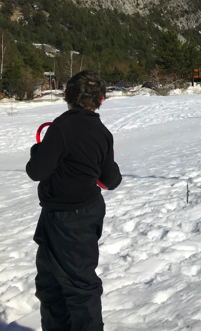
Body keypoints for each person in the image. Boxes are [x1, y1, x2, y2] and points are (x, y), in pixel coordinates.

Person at [26, 70, 122, 331]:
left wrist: (38, 151)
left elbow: (36, 171)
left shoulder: (60, 128)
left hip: (67, 219)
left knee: (75, 287)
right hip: (76, 214)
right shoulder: (102, 132)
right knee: (52, 284)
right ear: (102, 100)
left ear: (66, 95)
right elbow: (111, 180)